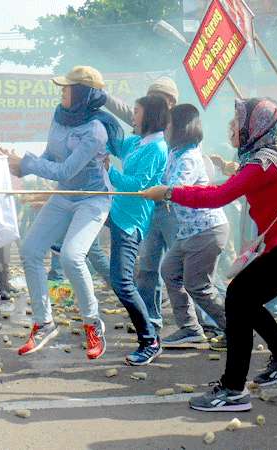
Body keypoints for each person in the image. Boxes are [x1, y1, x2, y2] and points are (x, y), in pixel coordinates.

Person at [141, 98, 277, 412]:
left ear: (255, 127)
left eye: (237, 122)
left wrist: (170, 192)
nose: (231, 127)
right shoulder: (271, 157)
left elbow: (220, 196)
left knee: (239, 296)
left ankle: (233, 390)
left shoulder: (264, 162)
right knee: (244, 298)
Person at [0, 66, 123, 359]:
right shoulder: (60, 116)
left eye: (67, 88)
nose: (62, 92)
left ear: (83, 94)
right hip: (64, 196)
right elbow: (51, 157)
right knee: (30, 250)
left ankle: (93, 323)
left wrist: (25, 163)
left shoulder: (96, 131)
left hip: (92, 199)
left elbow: (65, 169)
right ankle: (43, 322)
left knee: (71, 255)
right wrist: (19, 166)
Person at [104, 77, 180, 337]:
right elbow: (125, 115)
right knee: (147, 268)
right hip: (146, 207)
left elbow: (139, 184)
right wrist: (100, 98)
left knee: (180, 268)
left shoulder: (177, 130)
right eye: (152, 96)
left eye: (161, 98)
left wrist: (111, 172)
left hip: (171, 208)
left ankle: (205, 321)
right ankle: (150, 320)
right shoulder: (141, 138)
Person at [158, 105, 229, 347]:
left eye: (167, 124)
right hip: (189, 231)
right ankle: (190, 328)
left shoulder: (189, 157)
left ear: (180, 127)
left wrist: (159, 193)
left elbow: (176, 189)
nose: (164, 129)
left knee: (198, 285)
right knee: (169, 270)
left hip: (206, 229)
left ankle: (234, 328)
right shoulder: (176, 152)